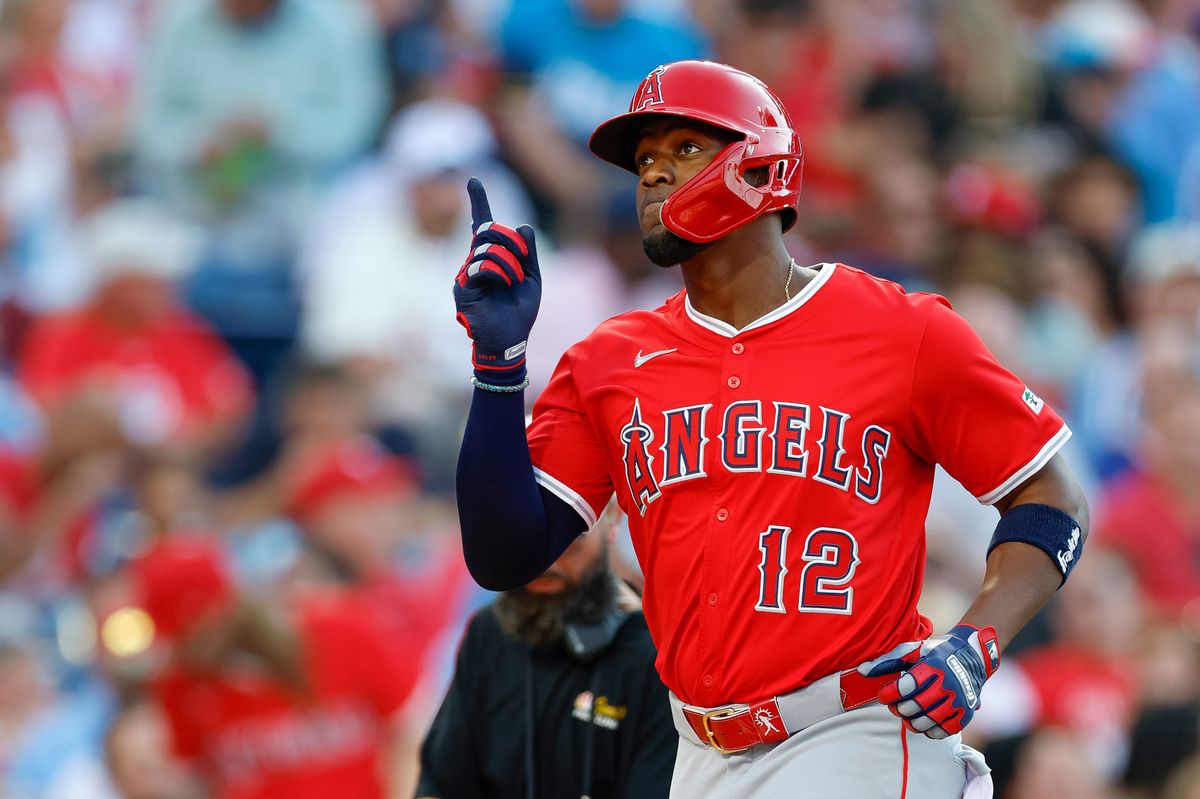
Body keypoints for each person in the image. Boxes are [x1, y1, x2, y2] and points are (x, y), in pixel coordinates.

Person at [452, 60, 1090, 797]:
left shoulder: (901, 331)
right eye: (645, 160)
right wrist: (498, 367)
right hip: (699, 746)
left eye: (683, 149)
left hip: (856, 728)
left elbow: (1051, 492)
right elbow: (503, 554)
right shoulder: (609, 361)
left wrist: (974, 642)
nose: (654, 175)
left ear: (762, 165)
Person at [416, 505, 676, 798]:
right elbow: (439, 785)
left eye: (568, 541)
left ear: (612, 519)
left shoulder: (657, 657)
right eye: (526, 541)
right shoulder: (489, 632)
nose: (544, 563)